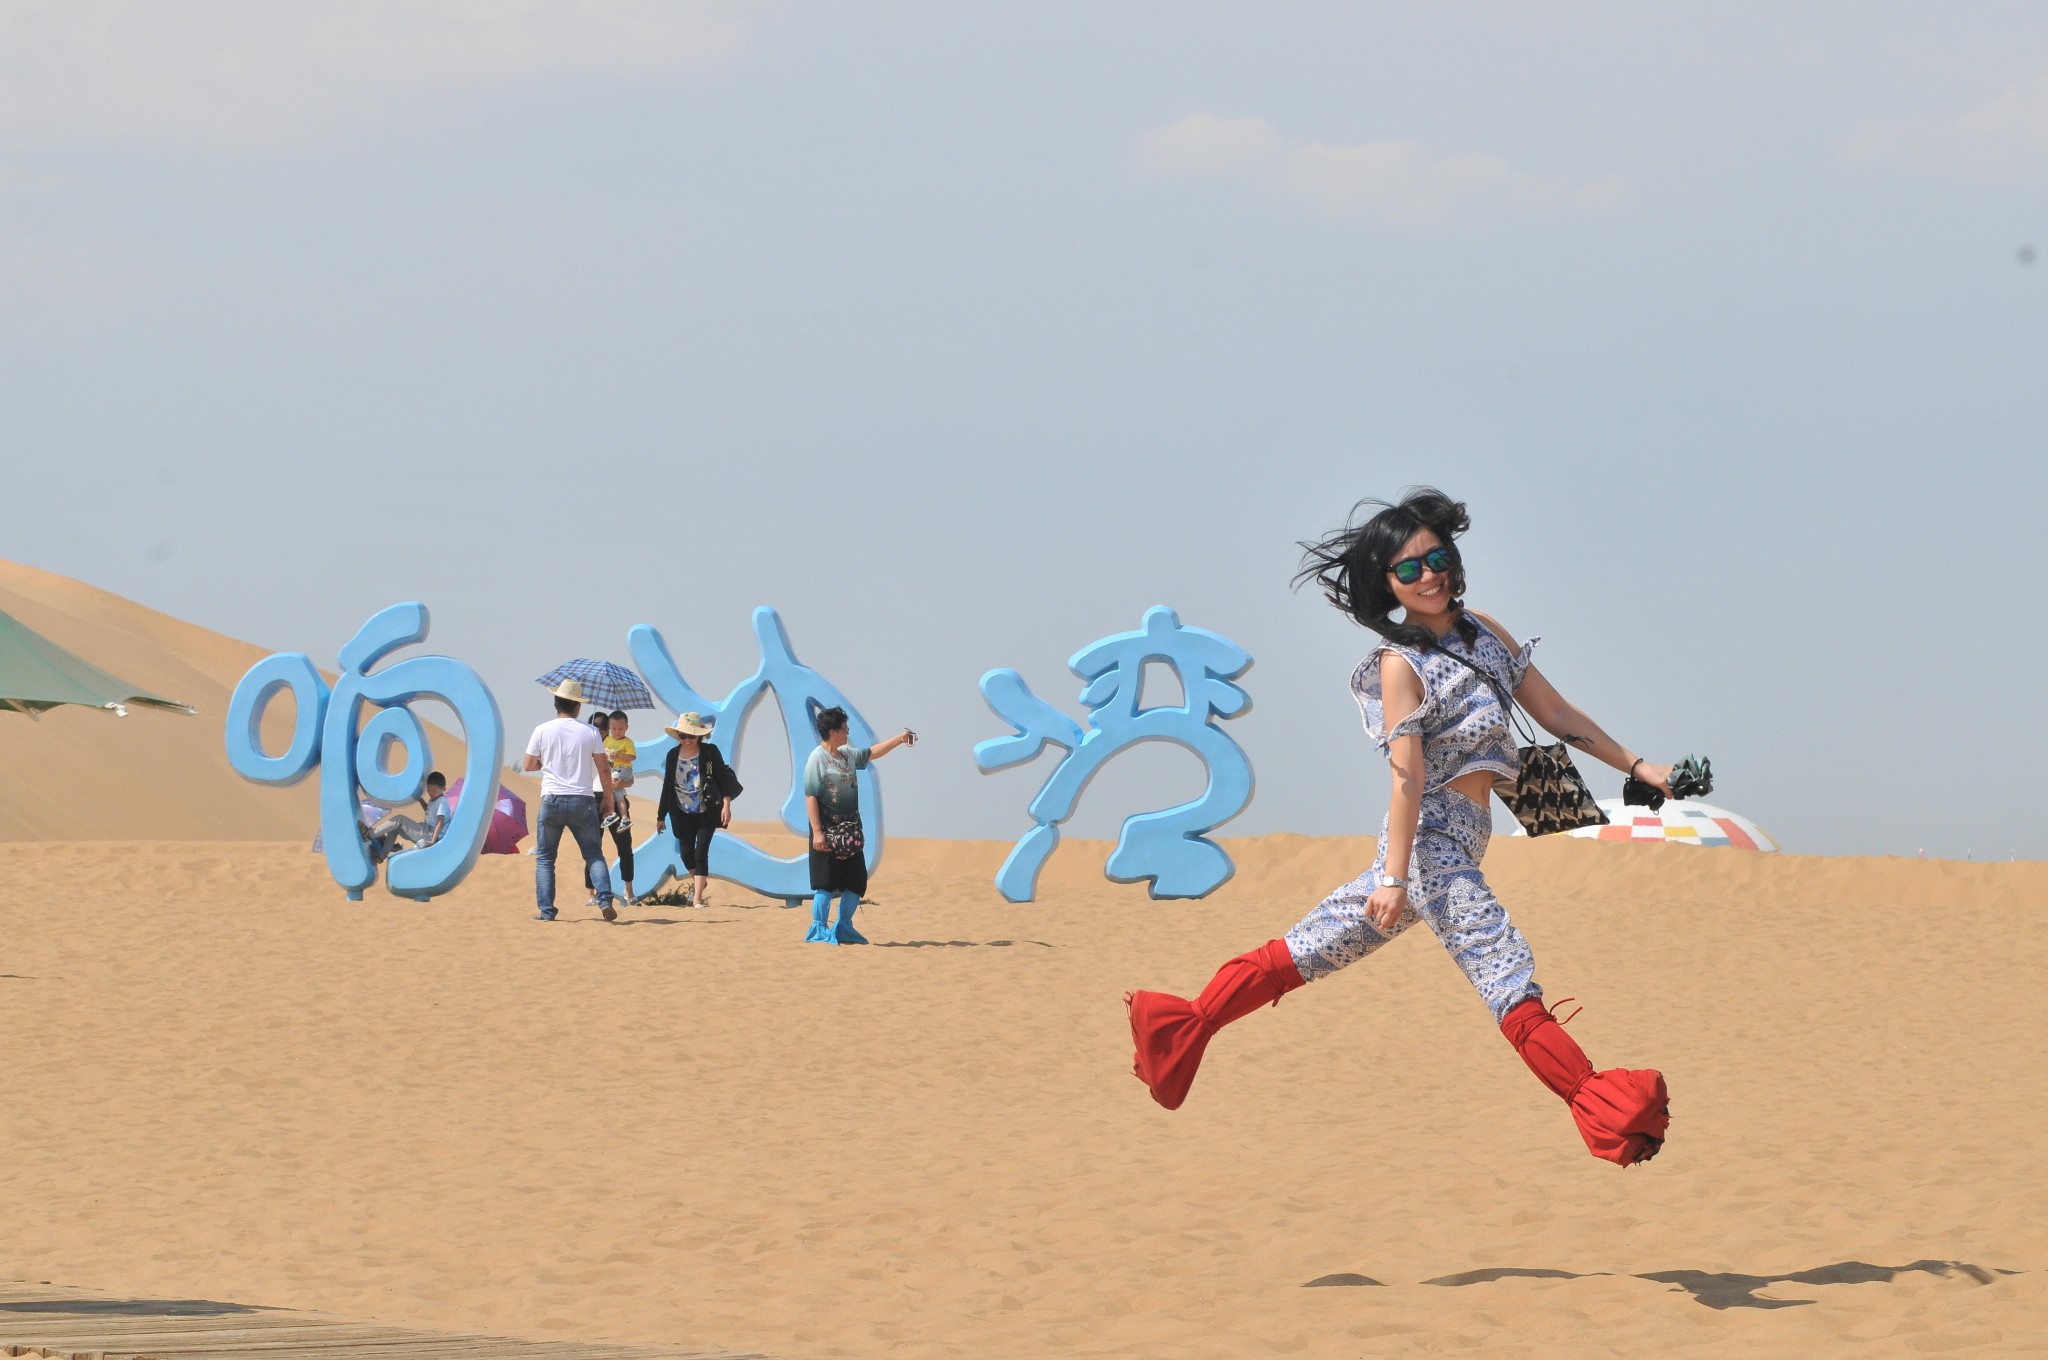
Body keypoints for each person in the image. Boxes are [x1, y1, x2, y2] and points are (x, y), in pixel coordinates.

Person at [1125, 488, 1675, 1166]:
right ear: (1386, 586)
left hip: (1465, 836)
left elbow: (1557, 714)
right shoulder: (1399, 665)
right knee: (1503, 970)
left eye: (1436, 557)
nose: (1429, 575)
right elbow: (1408, 777)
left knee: (1320, 944)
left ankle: (1185, 1028)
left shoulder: (1488, 636)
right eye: (1408, 569)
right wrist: (1394, 875)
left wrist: (1639, 764)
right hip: (1429, 845)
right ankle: (1607, 1110)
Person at [803, 706, 916, 945]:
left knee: (856, 881)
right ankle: (818, 930)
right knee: (825, 882)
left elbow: (872, 753)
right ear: (832, 731)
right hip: (826, 831)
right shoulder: (816, 759)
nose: (847, 732)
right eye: (844, 729)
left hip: (850, 831)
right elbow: (811, 795)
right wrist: (818, 832)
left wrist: (899, 739)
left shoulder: (846, 754)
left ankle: (844, 926)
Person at [522, 678, 619, 922]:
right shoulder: (591, 732)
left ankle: (547, 912)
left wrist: (550, 762)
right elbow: (604, 769)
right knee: (593, 854)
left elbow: (529, 764)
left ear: (556, 703)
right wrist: (608, 798)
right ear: (577, 707)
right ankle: (605, 900)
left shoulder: (541, 730)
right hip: (582, 799)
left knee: (545, 858)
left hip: (551, 798)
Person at [653, 711, 742, 908]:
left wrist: (727, 806)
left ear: (700, 735)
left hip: (707, 810)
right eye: (683, 735)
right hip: (680, 811)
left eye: (691, 736)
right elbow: (667, 786)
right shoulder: (672, 755)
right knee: (686, 853)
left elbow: (723, 780)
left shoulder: (710, 753)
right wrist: (661, 815)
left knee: (701, 852)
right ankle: (699, 879)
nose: (687, 740)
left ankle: (697, 898)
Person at [366, 771, 449, 862]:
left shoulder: (441, 802)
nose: (431, 793)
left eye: (434, 791)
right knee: (394, 828)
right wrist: (421, 801)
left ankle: (371, 834)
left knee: (399, 820)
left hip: (429, 834)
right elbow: (430, 812)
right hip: (425, 830)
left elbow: (440, 822)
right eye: (429, 790)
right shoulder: (435, 798)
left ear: (444, 788)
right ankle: (381, 856)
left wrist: (432, 841)